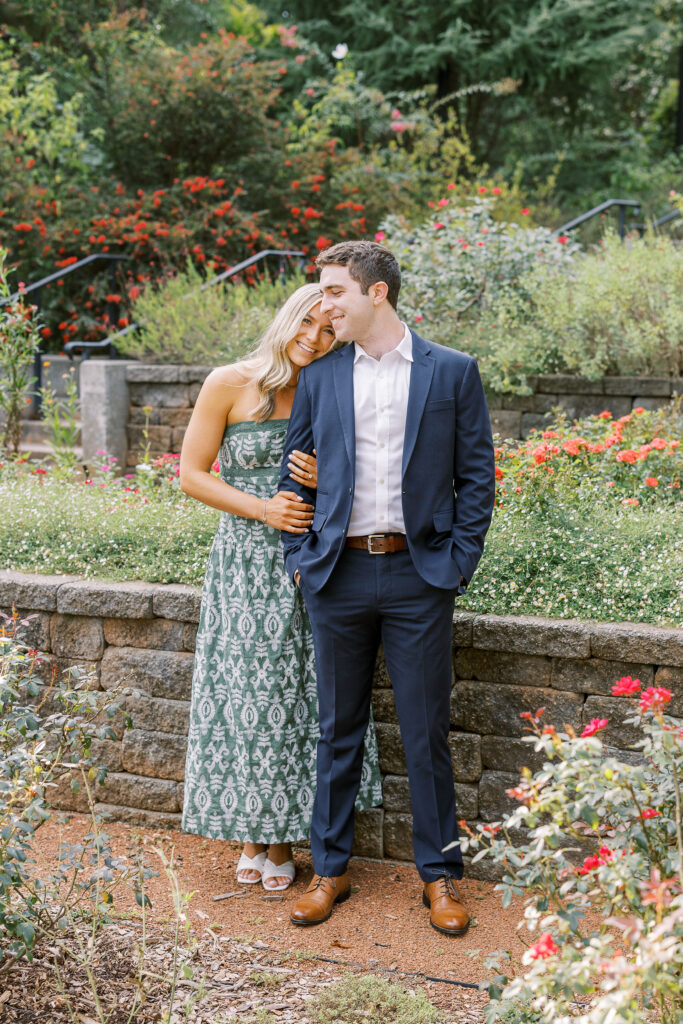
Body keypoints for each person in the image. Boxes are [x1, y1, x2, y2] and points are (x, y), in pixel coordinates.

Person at [278, 242, 495, 930]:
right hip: (335, 575)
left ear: (376, 295)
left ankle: (439, 879)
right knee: (336, 729)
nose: (323, 304)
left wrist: (455, 564)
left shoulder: (452, 372)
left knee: (425, 730)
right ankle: (330, 871)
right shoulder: (319, 376)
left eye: (335, 291)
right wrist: (298, 555)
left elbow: (477, 477)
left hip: (418, 575)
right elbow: (294, 473)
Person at [180, 282, 382, 892]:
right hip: (244, 563)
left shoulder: (333, 387)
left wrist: (332, 474)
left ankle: (285, 839)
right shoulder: (228, 382)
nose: (315, 340)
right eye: (308, 325)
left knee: (304, 696)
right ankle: (250, 834)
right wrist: (263, 510)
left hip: (319, 562)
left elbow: (376, 469)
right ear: (288, 317)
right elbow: (190, 475)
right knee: (248, 694)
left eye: (329, 332)